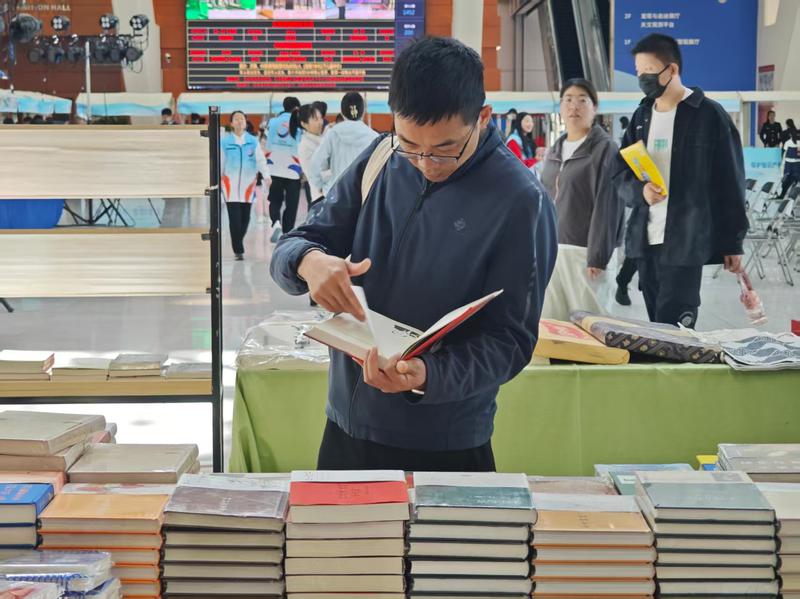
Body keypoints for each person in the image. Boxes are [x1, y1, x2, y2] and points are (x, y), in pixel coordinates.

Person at [270, 36, 557, 472]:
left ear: (482, 118)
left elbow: (510, 341)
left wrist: (427, 375)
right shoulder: (382, 157)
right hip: (347, 426)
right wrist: (309, 262)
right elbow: (295, 242)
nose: (424, 162)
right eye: (409, 143)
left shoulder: (521, 201)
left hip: (445, 443)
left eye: (445, 149)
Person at [615, 34, 748, 328]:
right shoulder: (641, 116)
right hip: (646, 241)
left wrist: (733, 241)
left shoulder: (709, 115)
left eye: (649, 71)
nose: (642, 78)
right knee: (657, 328)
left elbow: (730, 181)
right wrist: (640, 192)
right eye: (638, 72)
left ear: (671, 70)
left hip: (686, 240)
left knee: (676, 331)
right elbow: (620, 172)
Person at [539, 78, 624, 321]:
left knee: (590, 321)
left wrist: (598, 255)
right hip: (554, 251)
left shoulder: (605, 149)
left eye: (582, 100)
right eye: (568, 100)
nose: (573, 106)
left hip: (585, 253)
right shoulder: (555, 150)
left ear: (594, 108)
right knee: (552, 320)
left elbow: (608, 206)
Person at [221, 110, 271, 260]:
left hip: (248, 186)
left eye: (241, 119)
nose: (239, 121)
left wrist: (267, 175)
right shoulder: (225, 142)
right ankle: (238, 250)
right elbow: (220, 161)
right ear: (231, 123)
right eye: (236, 119)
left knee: (245, 218)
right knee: (234, 219)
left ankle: (238, 241)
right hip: (230, 186)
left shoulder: (253, 141)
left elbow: (261, 160)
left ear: (245, 122)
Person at [307, 92, 378, 197]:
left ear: (342, 112)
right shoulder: (374, 137)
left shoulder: (333, 133)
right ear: (363, 111)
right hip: (364, 195)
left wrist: (320, 186)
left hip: (338, 195)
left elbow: (314, 164)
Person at [265, 96, 303, 242]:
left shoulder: (272, 122)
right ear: (296, 108)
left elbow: (266, 143)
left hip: (273, 167)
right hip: (293, 168)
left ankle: (276, 224)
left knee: (274, 200)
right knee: (292, 204)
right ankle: (287, 234)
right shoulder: (299, 123)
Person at [297, 103, 325, 206]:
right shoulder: (304, 146)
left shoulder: (323, 138)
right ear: (304, 124)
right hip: (321, 196)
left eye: (321, 118)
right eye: (316, 119)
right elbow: (312, 174)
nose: (320, 122)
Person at [780, 123, 800, 198]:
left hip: (796, 165)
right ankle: (782, 195)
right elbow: (784, 156)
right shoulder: (788, 143)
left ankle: (784, 195)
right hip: (791, 165)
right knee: (787, 181)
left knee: (792, 180)